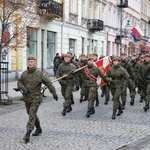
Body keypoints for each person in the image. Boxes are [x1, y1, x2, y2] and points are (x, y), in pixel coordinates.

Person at [17, 56, 58, 143]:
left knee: (32, 114)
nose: (30, 63)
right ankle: (38, 128)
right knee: (31, 114)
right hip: (27, 98)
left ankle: (28, 133)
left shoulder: (39, 73)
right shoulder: (24, 74)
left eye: (32, 62)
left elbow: (49, 83)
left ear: (35, 63)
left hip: (36, 98)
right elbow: (19, 82)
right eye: (29, 62)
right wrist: (22, 88)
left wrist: (54, 93)